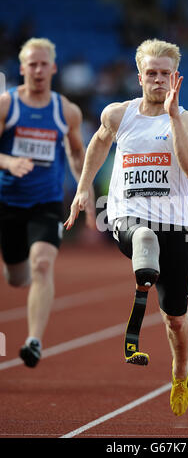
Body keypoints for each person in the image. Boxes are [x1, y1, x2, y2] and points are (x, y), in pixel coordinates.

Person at [64, 39, 188, 417]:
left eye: (165, 74)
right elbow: (97, 143)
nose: (158, 80)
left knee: (175, 318)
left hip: (174, 224)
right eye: (152, 73)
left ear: (174, 77)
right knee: (142, 236)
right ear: (140, 76)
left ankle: (181, 369)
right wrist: (83, 188)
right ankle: (144, 264)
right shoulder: (118, 114)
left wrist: (173, 118)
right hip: (128, 216)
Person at [0, 38, 95, 368]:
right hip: (7, 201)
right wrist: (9, 162)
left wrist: (87, 195)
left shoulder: (65, 111)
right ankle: (18, 269)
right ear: (22, 67)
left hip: (47, 202)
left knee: (42, 262)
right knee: (16, 277)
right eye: (32, 64)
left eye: (44, 64)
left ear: (53, 68)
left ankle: (33, 341)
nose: (38, 70)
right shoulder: (6, 106)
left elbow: (78, 155)